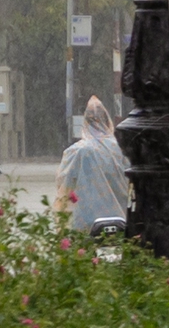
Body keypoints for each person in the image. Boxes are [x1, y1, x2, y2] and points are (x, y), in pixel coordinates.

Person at [55, 97, 130, 231]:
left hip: (85, 223)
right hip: (120, 220)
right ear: (108, 121)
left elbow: (63, 183)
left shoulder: (76, 151)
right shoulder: (121, 150)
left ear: (85, 122)